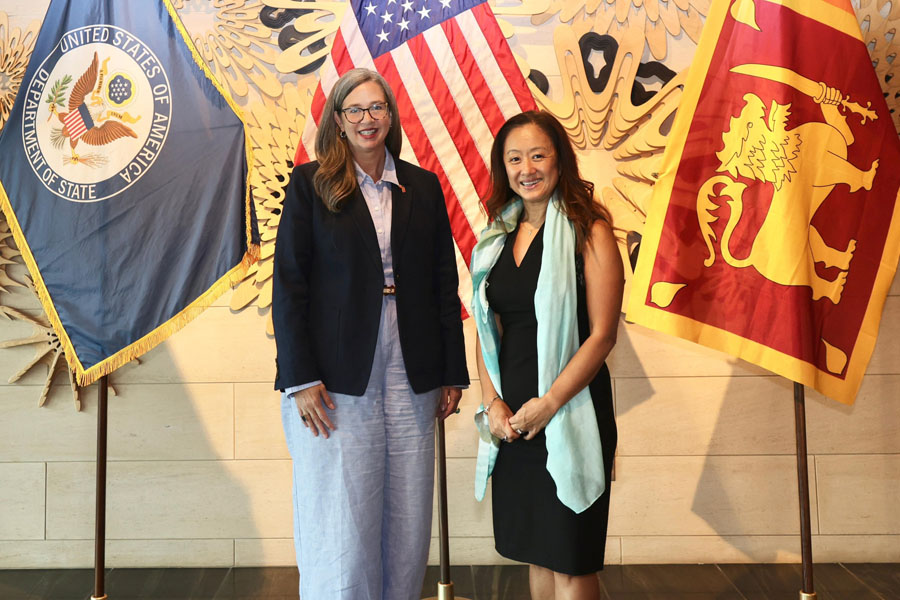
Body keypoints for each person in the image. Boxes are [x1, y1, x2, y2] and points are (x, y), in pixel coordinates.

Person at [272, 68, 468, 600]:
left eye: (376, 107)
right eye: (354, 109)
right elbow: (289, 286)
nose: (367, 118)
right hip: (335, 373)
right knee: (342, 513)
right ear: (338, 120)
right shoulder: (311, 184)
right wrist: (300, 378)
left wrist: (452, 371)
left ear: (391, 116)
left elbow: (443, 284)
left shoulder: (422, 186)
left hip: (413, 365)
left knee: (408, 512)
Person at [470, 110, 622, 600]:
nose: (527, 168)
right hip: (514, 420)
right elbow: (486, 330)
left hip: (571, 410)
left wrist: (550, 402)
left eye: (538, 155)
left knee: (571, 560)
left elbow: (602, 336)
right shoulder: (497, 236)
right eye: (515, 159)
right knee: (537, 553)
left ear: (560, 160)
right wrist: (492, 402)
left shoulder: (589, 230)